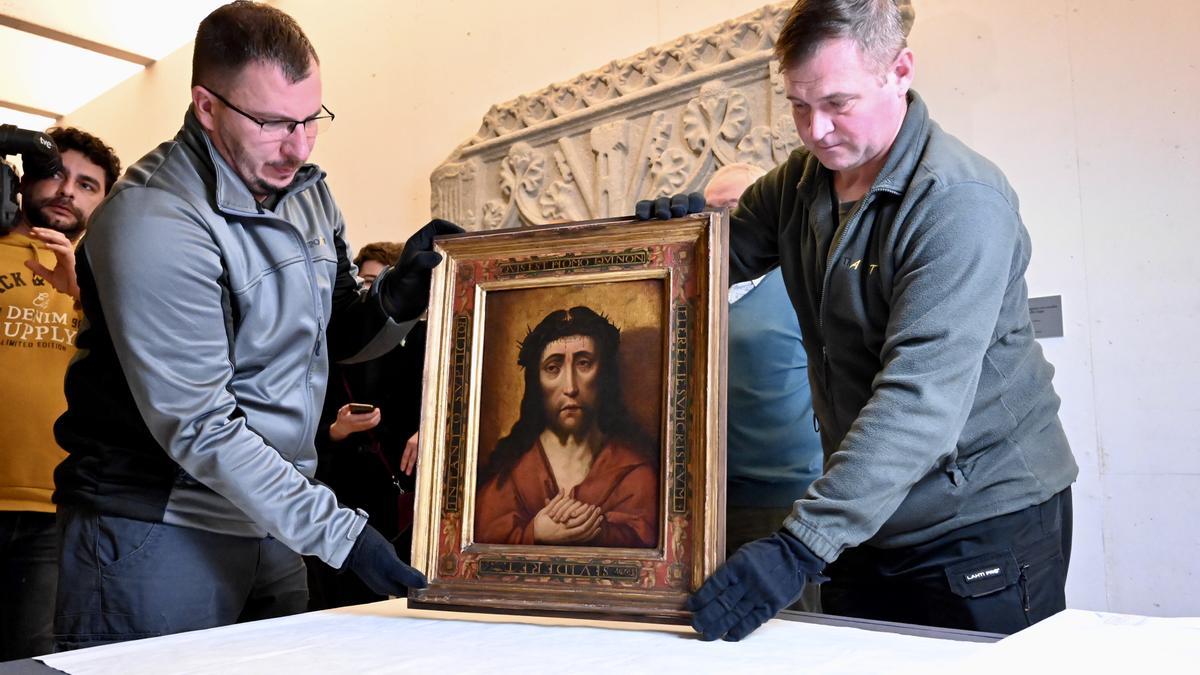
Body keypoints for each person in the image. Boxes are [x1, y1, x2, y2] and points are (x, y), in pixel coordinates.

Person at [51, 1, 461, 650]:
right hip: (159, 524)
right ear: (207, 106)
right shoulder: (154, 218)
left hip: (273, 517)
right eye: (272, 122)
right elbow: (200, 423)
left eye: (311, 119)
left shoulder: (307, 191)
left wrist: (398, 299)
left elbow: (339, 332)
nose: (297, 145)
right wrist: (342, 532)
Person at [677, 0, 1078, 640]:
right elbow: (710, 255)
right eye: (799, 106)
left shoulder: (957, 203)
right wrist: (657, 242)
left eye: (838, 102)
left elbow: (918, 399)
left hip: (977, 523)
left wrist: (800, 545)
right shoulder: (801, 182)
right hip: (867, 516)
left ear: (899, 71)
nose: (816, 130)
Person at [0, 127, 119, 660]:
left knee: (32, 659)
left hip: (55, 508)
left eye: (88, 185)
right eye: (55, 173)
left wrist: (81, 293)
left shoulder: (107, 282)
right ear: (24, 179)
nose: (68, 190)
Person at [704, 163, 825, 614]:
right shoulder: (691, 287)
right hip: (698, 507)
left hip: (783, 504)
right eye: (710, 213)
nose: (722, 226)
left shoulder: (799, 283)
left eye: (733, 210)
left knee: (789, 638)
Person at [306, 240, 426, 610]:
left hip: (404, 486)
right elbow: (315, 422)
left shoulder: (427, 339)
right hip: (345, 486)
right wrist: (339, 428)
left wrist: (431, 432)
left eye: (378, 281)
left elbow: (454, 403)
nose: (368, 290)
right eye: (362, 280)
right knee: (341, 598)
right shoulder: (337, 340)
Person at [474, 306, 658, 548]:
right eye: (553, 368)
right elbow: (476, 548)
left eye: (584, 363)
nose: (570, 387)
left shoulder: (636, 473)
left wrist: (602, 533)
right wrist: (534, 532)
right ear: (536, 383)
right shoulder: (509, 474)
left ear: (604, 374)